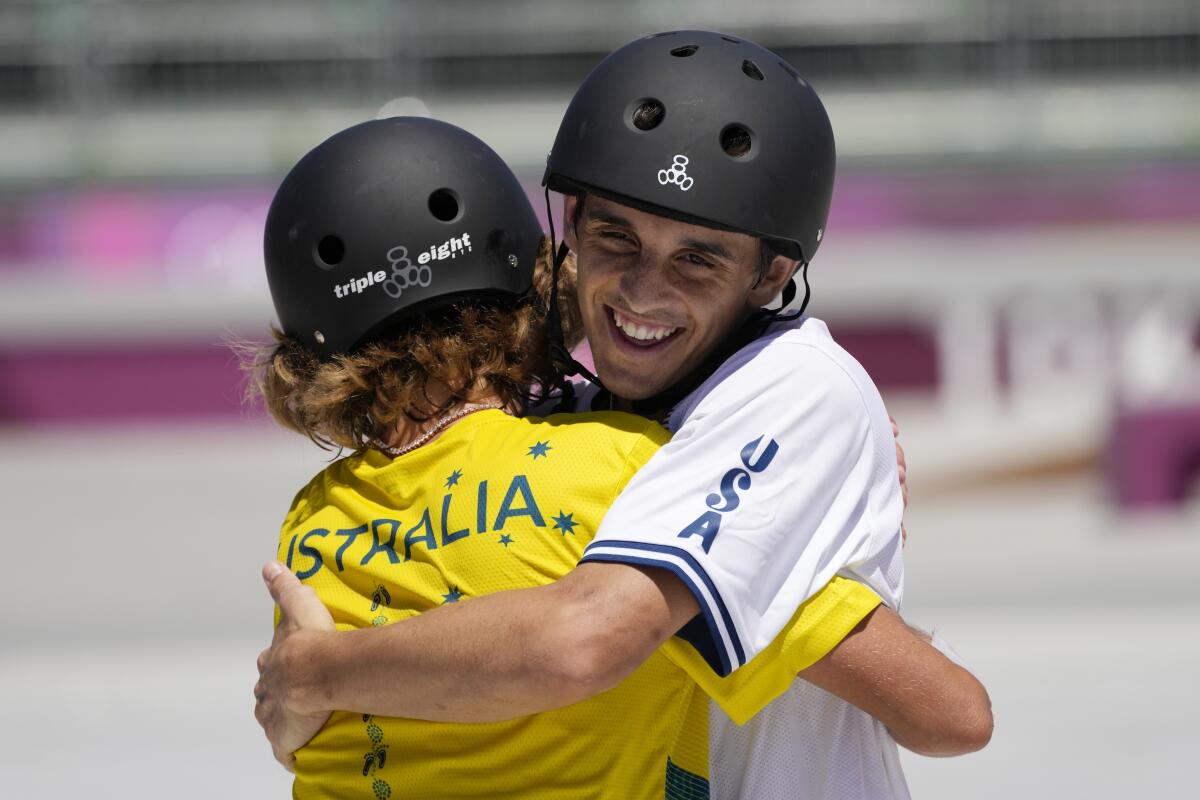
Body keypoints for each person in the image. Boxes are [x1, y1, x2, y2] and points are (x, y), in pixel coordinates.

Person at [257, 31, 993, 798]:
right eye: (616, 236)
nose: (643, 290)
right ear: (565, 228)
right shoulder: (588, 439)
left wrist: (316, 674)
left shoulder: (795, 387)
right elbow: (953, 712)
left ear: (774, 272)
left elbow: (583, 636)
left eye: (697, 257)